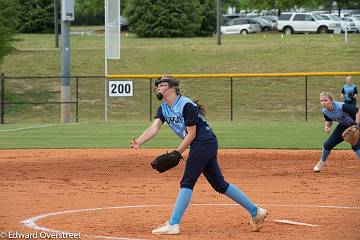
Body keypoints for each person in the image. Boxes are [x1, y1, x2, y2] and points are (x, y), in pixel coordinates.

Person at [130, 76, 268, 235]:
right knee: (219, 184)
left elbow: (192, 133)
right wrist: (139, 141)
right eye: (157, 86)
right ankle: (255, 211)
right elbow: (153, 128)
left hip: (204, 142)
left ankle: (173, 224)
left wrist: (177, 153)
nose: (158, 88)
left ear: (172, 88)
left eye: (162, 85)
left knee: (187, 181)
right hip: (201, 144)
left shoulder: (186, 105)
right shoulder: (163, 108)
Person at [314, 91, 360, 172]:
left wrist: (357, 124)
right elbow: (329, 120)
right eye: (321, 101)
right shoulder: (325, 111)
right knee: (328, 144)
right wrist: (327, 126)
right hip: (344, 125)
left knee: (355, 145)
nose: (323, 102)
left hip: (356, 124)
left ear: (331, 100)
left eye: (325, 100)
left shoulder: (341, 106)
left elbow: (357, 111)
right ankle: (322, 161)